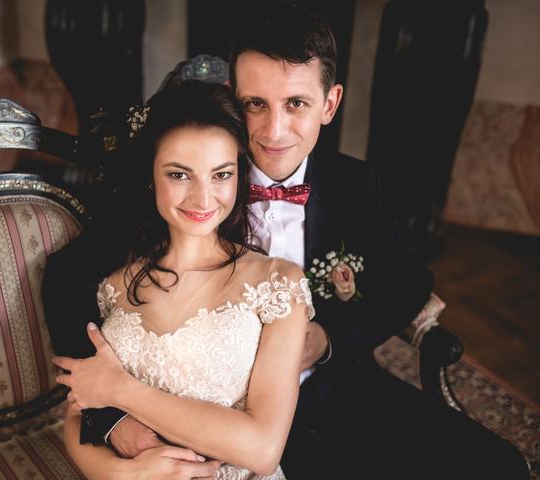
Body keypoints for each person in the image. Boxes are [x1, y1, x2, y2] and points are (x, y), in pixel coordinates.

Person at [45, 2, 529, 479]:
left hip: (337, 388)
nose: (274, 131)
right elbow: (67, 280)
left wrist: (329, 339)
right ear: (233, 98)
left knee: (496, 467)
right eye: (255, 104)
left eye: (296, 103)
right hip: (217, 416)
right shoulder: (191, 187)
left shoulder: (355, 186)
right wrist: (112, 416)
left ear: (329, 104)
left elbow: (409, 281)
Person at [48, 80, 313, 478]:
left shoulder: (277, 284)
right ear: (150, 176)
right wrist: (122, 474)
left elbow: (262, 448)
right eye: (179, 175)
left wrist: (122, 391)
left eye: (221, 174)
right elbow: (77, 412)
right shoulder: (112, 284)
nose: (203, 199)